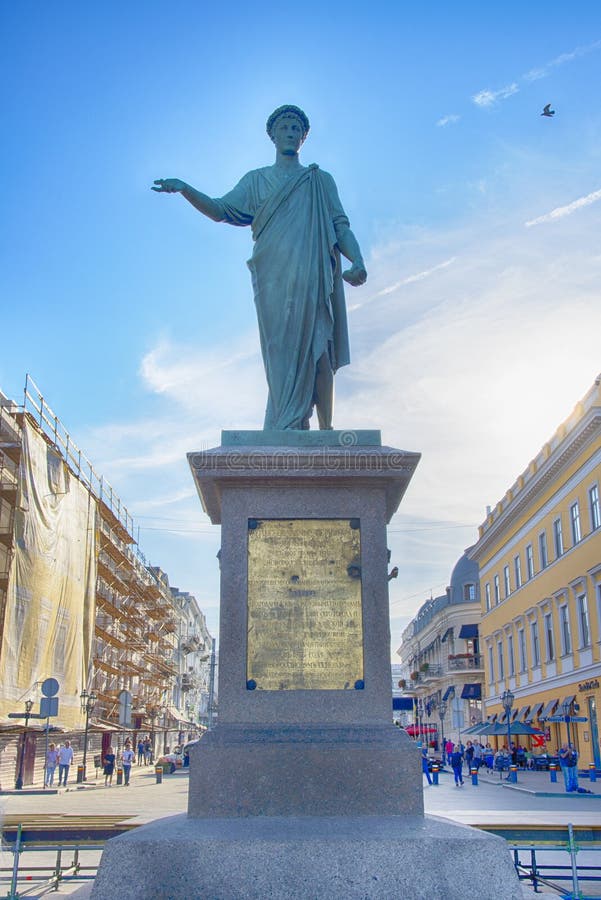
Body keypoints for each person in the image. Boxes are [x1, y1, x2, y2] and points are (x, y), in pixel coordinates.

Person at [153, 104, 367, 432]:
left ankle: (325, 430)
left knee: (319, 345)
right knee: (279, 350)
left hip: (312, 271)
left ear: (304, 137)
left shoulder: (320, 181)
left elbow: (340, 226)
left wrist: (359, 261)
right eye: (284, 128)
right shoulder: (257, 181)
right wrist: (186, 189)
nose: (291, 134)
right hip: (273, 277)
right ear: (273, 135)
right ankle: (286, 422)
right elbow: (221, 209)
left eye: (297, 129)